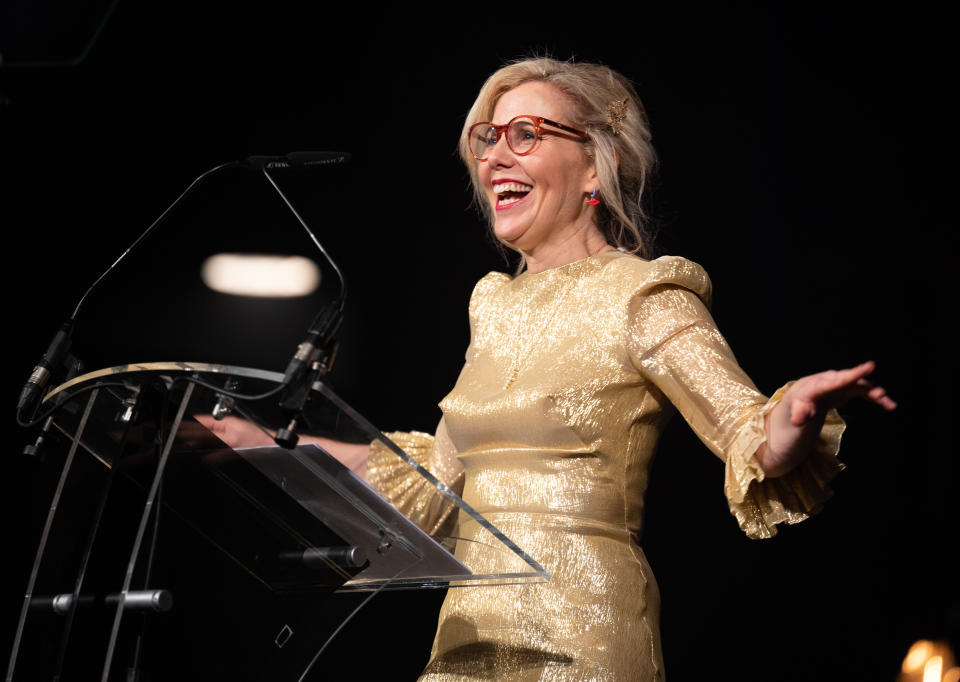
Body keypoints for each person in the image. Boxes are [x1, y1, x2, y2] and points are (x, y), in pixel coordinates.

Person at [200, 57, 895, 680]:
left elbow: (749, 432)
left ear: (596, 164)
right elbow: (433, 488)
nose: (497, 156)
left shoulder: (644, 294)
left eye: (525, 134)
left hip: (580, 634)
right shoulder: (493, 305)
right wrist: (251, 441)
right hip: (467, 638)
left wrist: (793, 416)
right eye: (487, 139)